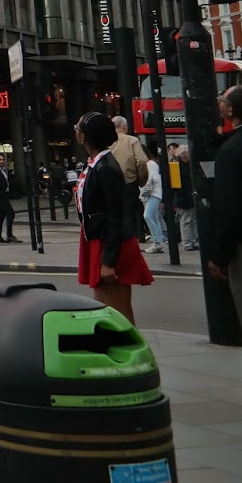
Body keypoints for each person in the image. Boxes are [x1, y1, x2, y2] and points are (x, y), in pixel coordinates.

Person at [207, 85, 242, 418]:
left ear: (230, 111)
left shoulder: (233, 150)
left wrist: (220, 255)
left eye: (222, 100)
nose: (219, 103)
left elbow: (230, 210)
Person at [75, 112, 153, 325]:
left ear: (84, 136)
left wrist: (108, 261)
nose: (76, 131)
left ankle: (128, 344)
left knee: (118, 310)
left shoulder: (107, 167)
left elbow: (115, 215)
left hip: (110, 243)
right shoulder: (97, 164)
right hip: (99, 238)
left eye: (78, 128)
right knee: (104, 305)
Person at [172, 145, 197, 250]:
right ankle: (187, 242)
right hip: (184, 196)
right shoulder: (176, 166)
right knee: (186, 220)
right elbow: (176, 185)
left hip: (190, 195)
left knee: (192, 220)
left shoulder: (188, 165)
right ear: (184, 155)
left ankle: (193, 240)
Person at [139, 154, 166, 254]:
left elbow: (152, 178)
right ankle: (159, 242)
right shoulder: (150, 164)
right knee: (154, 217)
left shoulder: (150, 164)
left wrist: (144, 190)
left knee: (148, 216)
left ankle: (157, 242)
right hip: (151, 193)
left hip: (152, 193)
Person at [0, 154, 17, 243]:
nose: (1, 161)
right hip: (1, 196)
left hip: (5, 194)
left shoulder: (3, 170)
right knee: (11, 213)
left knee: (1, 216)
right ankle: (9, 235)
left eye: (2, 159)